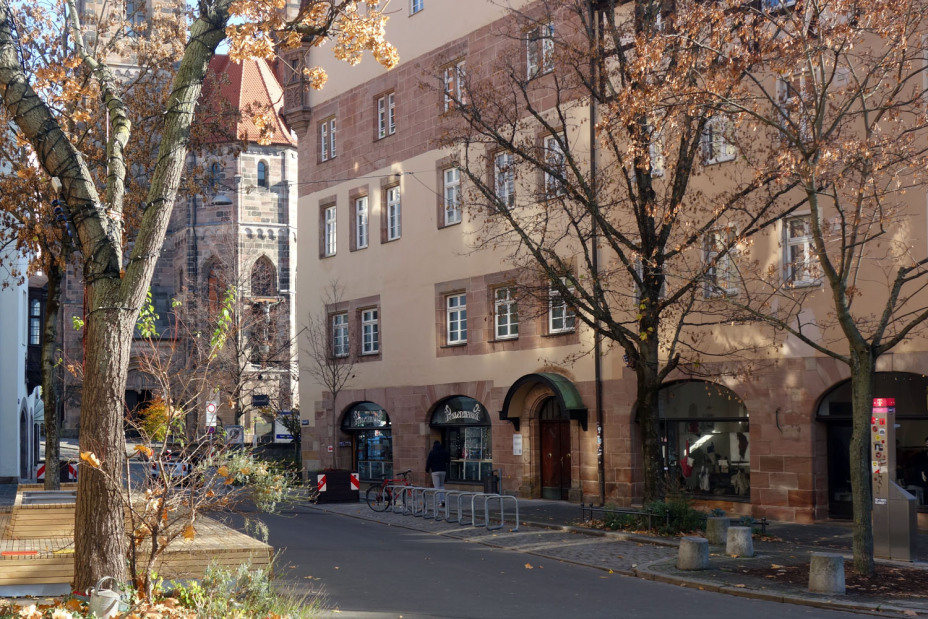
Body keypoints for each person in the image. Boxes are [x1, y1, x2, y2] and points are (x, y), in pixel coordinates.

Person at [425, 440, 450, 507]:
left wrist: (427, 470)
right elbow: (448, 460)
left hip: (435, 471)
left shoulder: (432, 452)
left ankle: (439, 502)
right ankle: (443, 500)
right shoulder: (444, 452)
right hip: (443, 471)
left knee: (436, 487)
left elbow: (428, 462)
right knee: (442, 486)